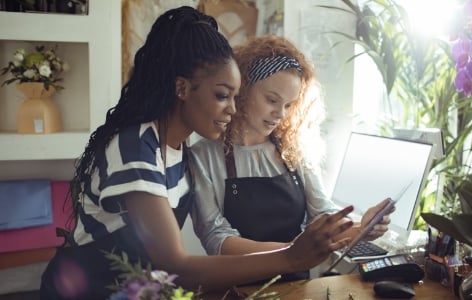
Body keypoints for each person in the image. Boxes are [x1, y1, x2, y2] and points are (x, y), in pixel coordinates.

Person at [39, 7, 355, 300]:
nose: (233, 109)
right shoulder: (134, 147)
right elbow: (177, 267)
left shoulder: (176, 149)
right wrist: (291, 257)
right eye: (222, 95)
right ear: (182, 88)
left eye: (235, 96)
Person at [190, 35, 393, 282]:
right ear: (242, 90)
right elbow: (216, 238)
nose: (280, 114)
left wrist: (363, 229)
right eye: (272, 100)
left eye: (289, 105)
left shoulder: (294, 149)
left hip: (297, 287)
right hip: (237, 288)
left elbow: (322, 215)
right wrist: (291, 254)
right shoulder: (203, 155)